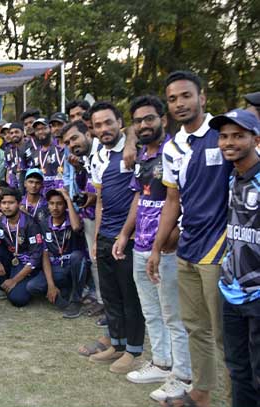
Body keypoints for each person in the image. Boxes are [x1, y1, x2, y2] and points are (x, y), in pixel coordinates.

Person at [148, 71, 233, 407]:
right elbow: (173, 201)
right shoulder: (172, 147)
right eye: (172, 99)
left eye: (186, 96)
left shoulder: (224, 134)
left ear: (202, 97)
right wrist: (157, 247)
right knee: (196, 327)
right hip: (188, 246)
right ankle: (201, 392)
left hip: (223, 247)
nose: (180, 103)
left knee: (227, 332)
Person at [112, 95, 191, 402]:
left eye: (150, 119)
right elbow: (138, 198)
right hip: (140, 244)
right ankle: (161, 363)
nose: (144, 125)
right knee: (151, 310)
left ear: (164, 120)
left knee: (174, 314)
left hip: (167, 247)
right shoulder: (142, 157)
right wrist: (124, 234)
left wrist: (172, 237)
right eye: (139, 121)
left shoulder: (177, 152)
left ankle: (182, 376)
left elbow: (184, 199)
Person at [86, 101, 145, 375]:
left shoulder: (135, 152)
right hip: (106, 235)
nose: (104, 129)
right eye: (98, 125)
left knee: (129, 295)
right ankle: (117, 344)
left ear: (119, 122)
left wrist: (125, 233)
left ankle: (134, 350)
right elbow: (99, 201)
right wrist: (97, 237)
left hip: (130, 237)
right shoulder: (97, 154)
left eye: (108, 122)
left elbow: (138, 195)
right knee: (111, 296)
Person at [213, 109, 260, 407]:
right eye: (224, 136)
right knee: (238, 370)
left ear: (255, 139)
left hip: (258, 295)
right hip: (230, 291)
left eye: (238, 136)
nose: (229, 142)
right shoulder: (233, 177)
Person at [61, 121, 104, 323]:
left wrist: (95, 197)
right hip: (90, 215)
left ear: (88, 133)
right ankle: (103, 302)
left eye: (74, 138)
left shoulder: (104, 151)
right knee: (96, 261)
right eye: (67, 142)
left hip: (109, 218)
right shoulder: (84, 158)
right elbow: (86, 185)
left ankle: (112, 305)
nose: (71, 143)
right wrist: (78, 169)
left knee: (110, 262)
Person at [0, 188, 44, 306]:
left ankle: (20, 282)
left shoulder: (31, 224)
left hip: (27, 263)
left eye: (11, 203)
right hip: (11, 258)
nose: (7, 207)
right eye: (4, 203)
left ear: (19, 204)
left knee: (17, 299)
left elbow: (36, 257)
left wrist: (15, 280)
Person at [40, 189, 86, 318]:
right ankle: (63, 291)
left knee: (77, 256)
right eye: (51, 203)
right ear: (47, 205)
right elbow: (44, 254)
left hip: (72, 265)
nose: (55, 207)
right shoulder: (43, 224)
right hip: (56, 268)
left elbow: (77, 227)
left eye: (59, 203)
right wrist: (50, 285)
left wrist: (68, 199)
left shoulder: (72, 221)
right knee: (33, 287)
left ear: (65, 205)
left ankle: (76, 300)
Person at [21, 118, 65, 193]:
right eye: (37, 130)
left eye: (44, 128)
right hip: (43, 195)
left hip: (61, 192)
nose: (40, 132)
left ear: (50, 128)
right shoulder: (35, 153)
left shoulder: (60, 148)